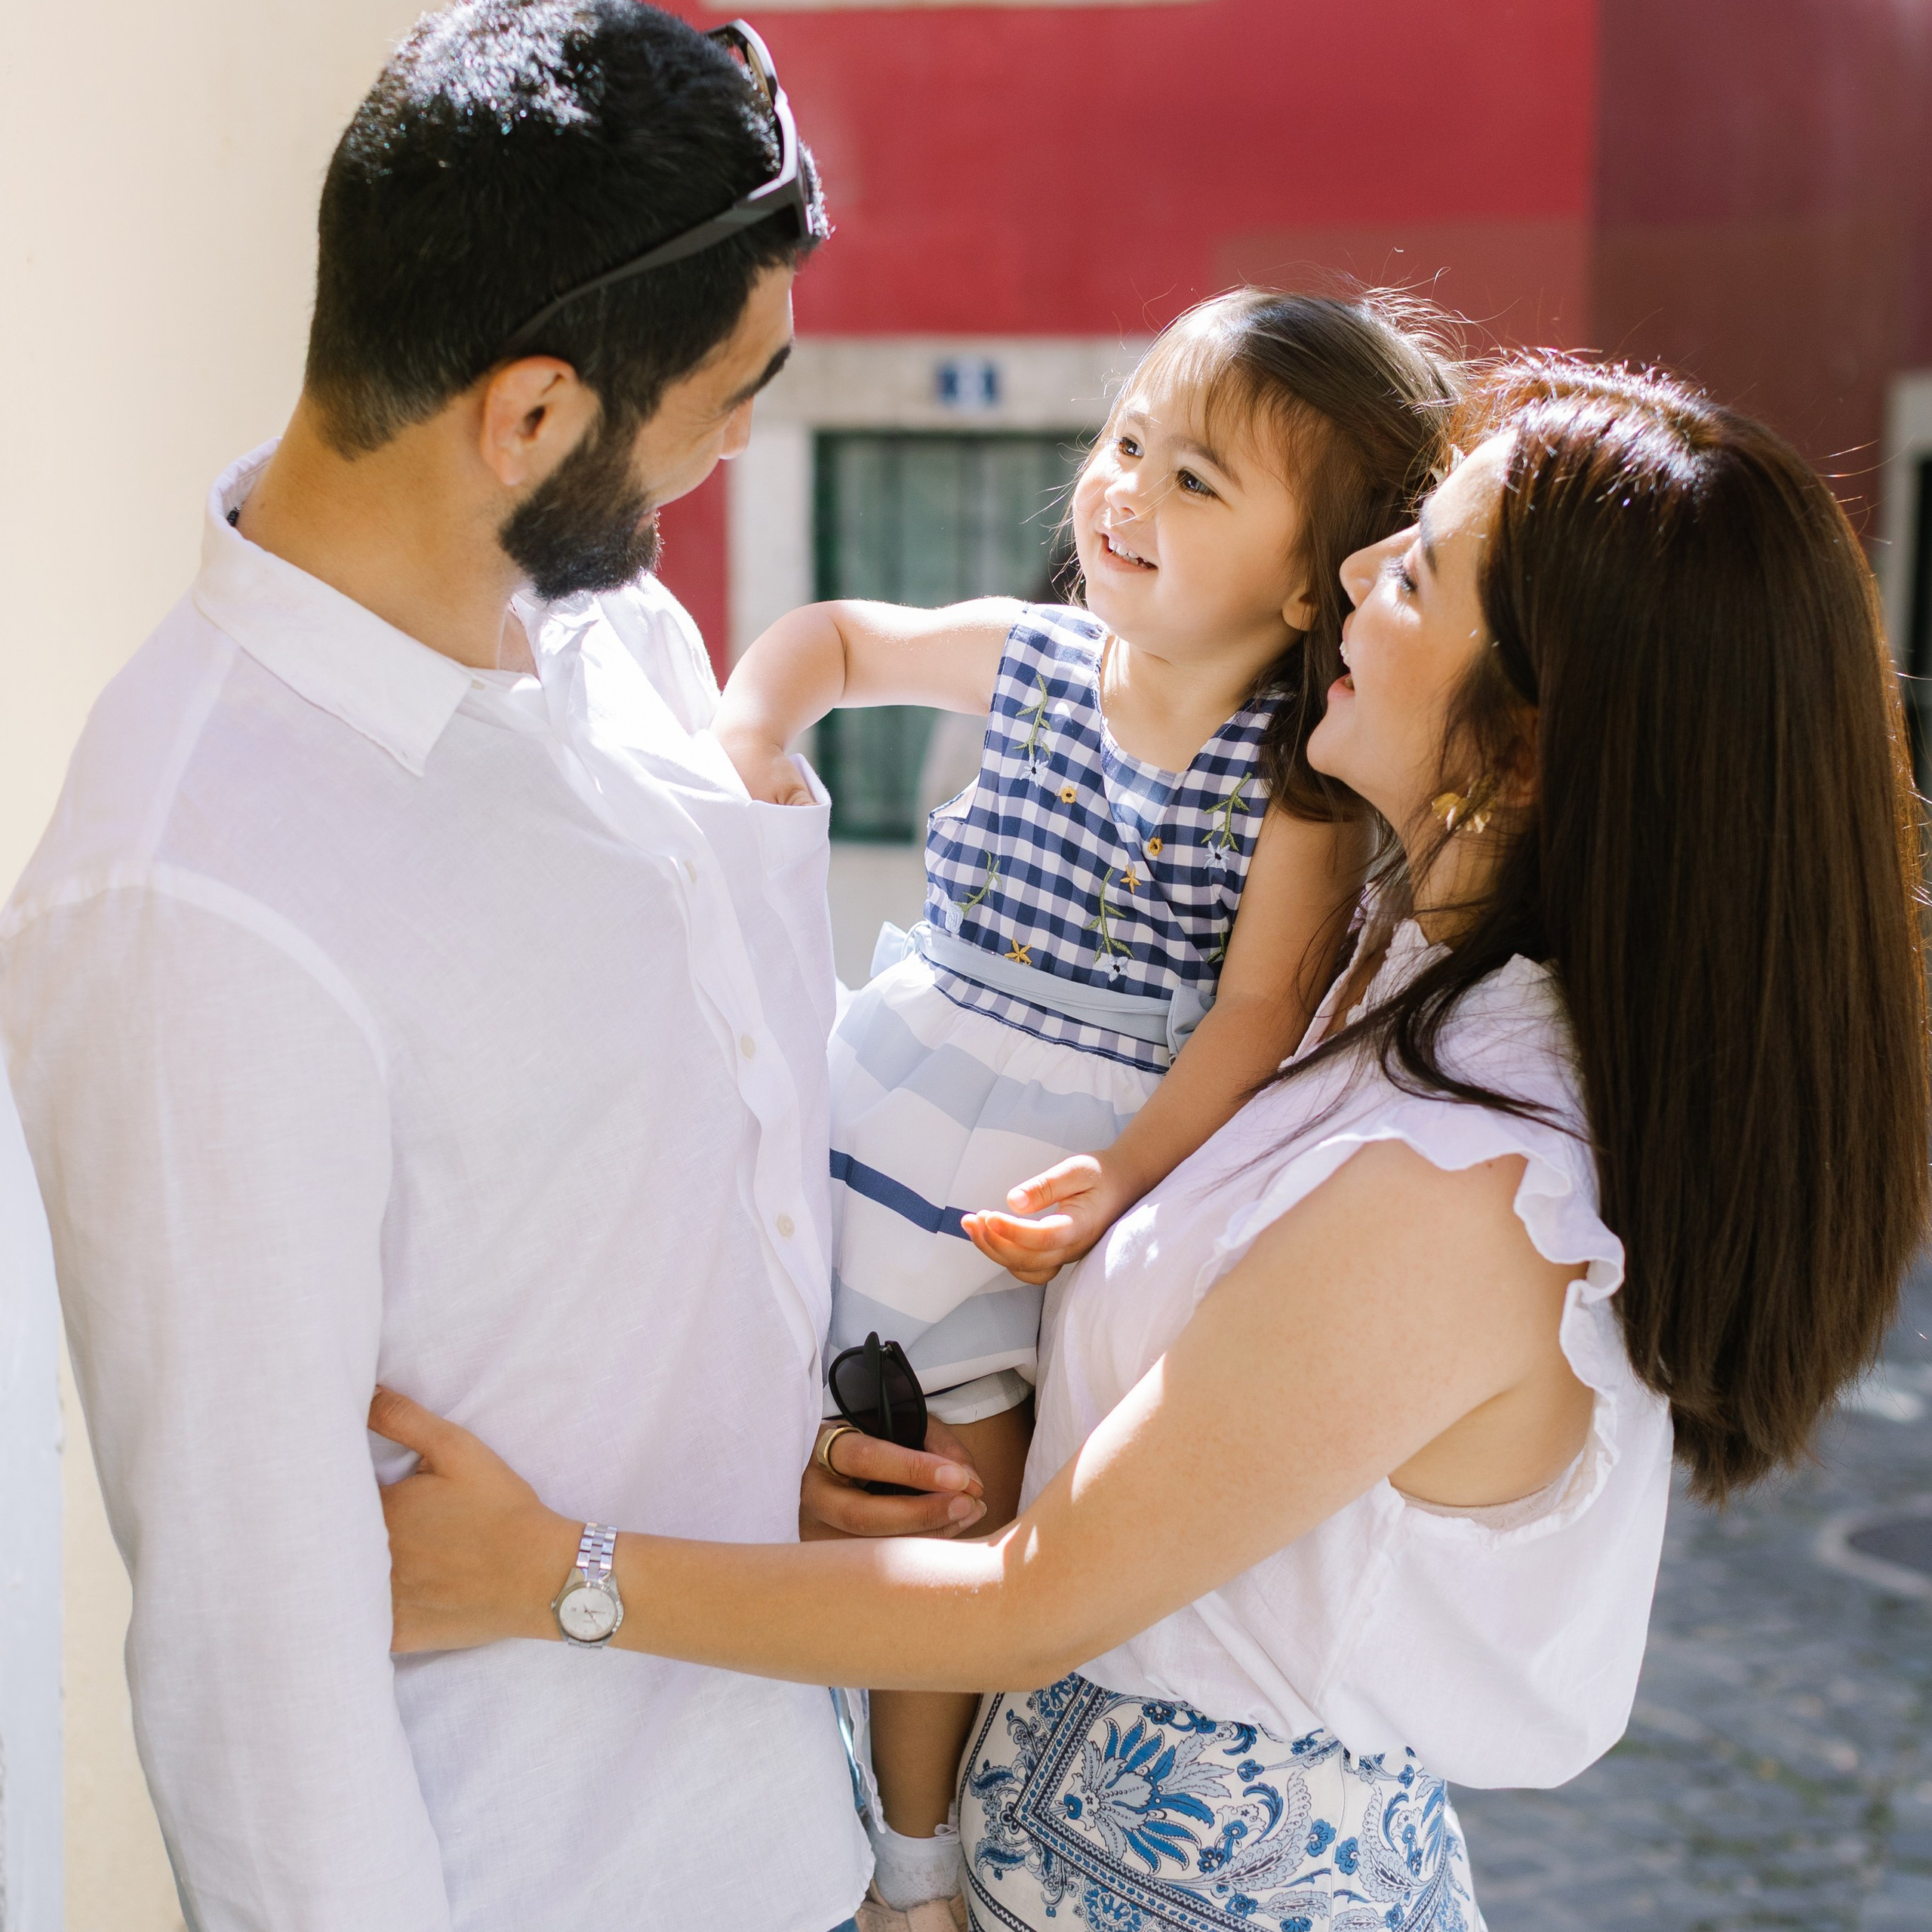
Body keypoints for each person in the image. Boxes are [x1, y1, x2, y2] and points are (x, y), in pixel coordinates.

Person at [373, 358, 1929, 1932]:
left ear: (1515, 753)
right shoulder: (1368, 983)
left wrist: (548, 1573)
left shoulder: (1466, 1189)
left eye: (1417, 567)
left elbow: (1036, 1595)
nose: (1350, 572)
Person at [0, 7, 958, 1929]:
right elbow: (248, 1664)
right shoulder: (189, 896)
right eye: (729, 391)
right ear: (528, 413)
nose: (740, 439)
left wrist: (778, 1453)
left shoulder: (616, 644)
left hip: (796, 1825)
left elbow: (674, 1186)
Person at [712, 287, 1456, 1909]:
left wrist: (1115, 1176)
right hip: (902, 1074)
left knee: (953, 1480)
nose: (1124, 486)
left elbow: (1249, 1012)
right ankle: (750, 1763)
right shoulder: (1038, 653)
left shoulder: (1292, 782)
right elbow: (833, 637)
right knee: (751, 1366)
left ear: (1306, 569)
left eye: (1196, 480)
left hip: (1064, 1147)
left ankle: (912, 1857)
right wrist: (754, 719)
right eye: (1126, 440)